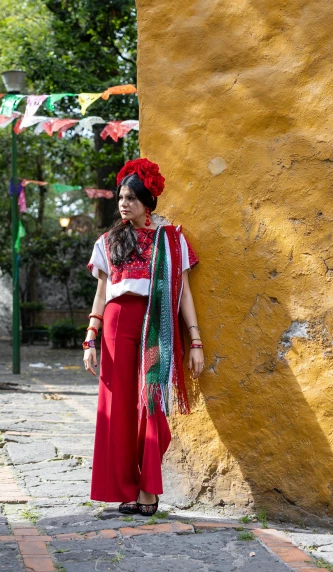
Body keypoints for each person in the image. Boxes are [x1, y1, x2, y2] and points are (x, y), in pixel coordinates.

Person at [84, 158, 204, 516]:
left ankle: (148, 488)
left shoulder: (172, 240)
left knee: (151, 403)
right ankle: (124, 488)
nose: (124, 203)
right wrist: (91, 337)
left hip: (156, 326)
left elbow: (183, 293)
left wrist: (195, 341)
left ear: (148, 202)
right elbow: (103, 291)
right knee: (117, 408)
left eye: (132, 198)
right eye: (121, 197)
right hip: (117, 326)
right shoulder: (108, 241)